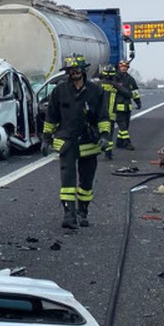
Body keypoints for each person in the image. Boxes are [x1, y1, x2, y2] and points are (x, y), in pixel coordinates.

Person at [41, 54, 113, 229]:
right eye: (70, 70)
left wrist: (104, 135)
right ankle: (69, 215)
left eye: (77, 69)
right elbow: (51, 117)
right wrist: (46, 138)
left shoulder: (95, 91)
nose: (74, 72)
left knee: (86, 182)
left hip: (89, 141)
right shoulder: (59, 91)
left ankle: (83, 211)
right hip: (67, 141)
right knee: (67, 181)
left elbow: (103, 116)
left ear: (83, 70)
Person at [96, 64, 123, 160]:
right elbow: (127, 94)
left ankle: (95, 151)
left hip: (97, 114)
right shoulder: (115, 86)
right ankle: (108, 154)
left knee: (96, 132)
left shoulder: (97, 85)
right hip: (110, 115)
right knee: (109, 135)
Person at [113, 60, 142, 149]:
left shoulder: (130, 79)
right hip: (117, 107)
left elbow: (135, 92)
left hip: (127, 107)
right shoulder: (115, 78)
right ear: (119, 67)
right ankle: (127, 143)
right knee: (123, 127)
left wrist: (138, 102)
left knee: (126, 126)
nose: (124, 68)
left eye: (126, 67)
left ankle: (119, 142)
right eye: (122, 67)